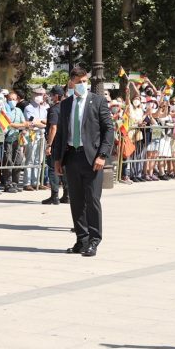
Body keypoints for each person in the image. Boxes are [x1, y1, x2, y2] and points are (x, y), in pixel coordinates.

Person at [53, 67, 114, 257]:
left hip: (92, 158)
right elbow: (61, 133)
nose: (81, 85)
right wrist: (57, 158)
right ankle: (82, 239)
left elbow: (108, 130)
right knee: (76, 201)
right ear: (71, 82)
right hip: (72, 156)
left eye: (84, 81)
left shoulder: (98, 101)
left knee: (92, 200)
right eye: (78, 82)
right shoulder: (66, 104)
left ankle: (94, 240)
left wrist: (102, 155)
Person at [42, 85, 68, 205]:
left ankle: (55, 196)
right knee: (64, 168)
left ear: (57, 96)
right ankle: (67, 195)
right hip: (66, 142)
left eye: (52, 95)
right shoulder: (68, 107)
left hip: (56, 142)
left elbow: (53, 127)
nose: (51, 97)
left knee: (53, 168)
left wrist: (49, 145)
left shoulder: (54, 109)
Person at [22, 87, 49, 191]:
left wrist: (41, 122)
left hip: (41, 135)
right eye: (38, 94)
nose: (40, 96)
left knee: (39, 159)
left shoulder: (43, 109)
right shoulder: (28, 108)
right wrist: (41, 122)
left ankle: (36, 182)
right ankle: (27, 182)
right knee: (30, 158)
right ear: (33, 95)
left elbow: (47, 122)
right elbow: (32, 123)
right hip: (31, 134)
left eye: (42, 94)